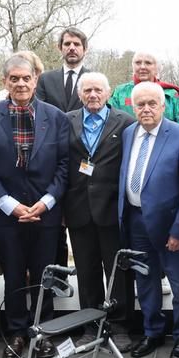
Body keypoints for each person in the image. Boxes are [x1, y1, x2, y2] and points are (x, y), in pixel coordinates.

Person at [0, 54, 69, 358]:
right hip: (8, 214)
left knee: (45, 274)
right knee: (14, 274)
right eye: (13, 78)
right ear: (4, 81)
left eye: (25, 78)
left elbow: (64, 166)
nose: (20, 83)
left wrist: (45, 203)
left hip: (46, 212)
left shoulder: (55, 116)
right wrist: (11, 206)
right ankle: (17, 331)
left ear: (35, 80)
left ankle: (41, 332)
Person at [118, 82, 179, 358]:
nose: (147, 109)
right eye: (140, 104)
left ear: (163, 105)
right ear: (132, 106)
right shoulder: (128, 133)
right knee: (146, 282)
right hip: (136, 221)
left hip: (170, 225)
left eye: (152, 103)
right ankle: (152, 332)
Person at [64, 72, 136, 341]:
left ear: (108, 93)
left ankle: (119, 327)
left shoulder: (125, 122)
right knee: (86, 270)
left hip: (112, 209)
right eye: (88, 90)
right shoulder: (66, 120)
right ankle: (90, 326)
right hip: (77, 206)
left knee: (117, 269)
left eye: (98, 90)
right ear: (80, 94)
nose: (93, 95)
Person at [108, 52, 179, 122]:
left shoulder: (171, 95)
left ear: (157, 68)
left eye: (148, 63)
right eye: (138, 63)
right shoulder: (120, 92)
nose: (142, 67)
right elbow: (111, 122)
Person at [36, 27, 89, 113]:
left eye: (76, 44)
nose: (72, 48)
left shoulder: (94, 80)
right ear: (60, 48)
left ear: (85, 49)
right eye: (67, 44)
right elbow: (39, 111)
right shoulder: (45, 79)